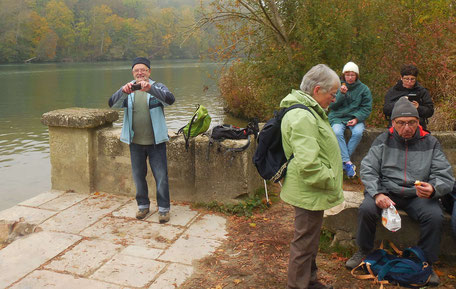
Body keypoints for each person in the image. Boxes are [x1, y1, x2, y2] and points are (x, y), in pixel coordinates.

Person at [345, 97, 454, 286]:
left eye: (412, 122)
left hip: (417, 194)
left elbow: (444, 175)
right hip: (387, 190)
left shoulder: (430, 142)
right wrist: (377, 193)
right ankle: (364, 250)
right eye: (401, 123)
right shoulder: (383, 139)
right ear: (393, 122)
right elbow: (368, 168)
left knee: (434, 216)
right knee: (367, 209)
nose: (407, 128)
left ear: (418, 122)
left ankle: (425, 262)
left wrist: (433, 188)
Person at [280, 64, 344, 289]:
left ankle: (309, 281)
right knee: (304, 242)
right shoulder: (302, 115)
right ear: (318, 90)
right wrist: (330, 178)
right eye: (332, 94)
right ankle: (297, 285)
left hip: (311, 189)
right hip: (309, 188)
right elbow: (308, 163)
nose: (333, 99)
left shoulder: (309, 110)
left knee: (309, 239)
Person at [109, 57, 175, 223]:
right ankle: (143, 206)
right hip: (135, 142)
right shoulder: (128, 89)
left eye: (143, 70)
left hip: (156, 142)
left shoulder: (157, 86)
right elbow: (112, 104)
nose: (140, 73)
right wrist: (123, 92)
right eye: (137, 70)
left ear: (149, 72)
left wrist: (150, 89)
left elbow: (170, 100)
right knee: (138, 176)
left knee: (161, 177)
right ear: (133, 73)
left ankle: (164, 210)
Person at [329, 62, 372, 178]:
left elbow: (367, 108)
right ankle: (348, 162)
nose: (350, 77)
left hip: (355, 118)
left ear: (356, 76)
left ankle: (343, 162)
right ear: (343, 75)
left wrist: (357, 118)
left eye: (352, 75)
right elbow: (332, 106)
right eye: (347, 75)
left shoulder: (364, 89)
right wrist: (341, 95)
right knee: (336, 132)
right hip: (338, 117)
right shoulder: (336, 87)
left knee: (358, 133)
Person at [383, 64, 434, 130]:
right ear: (401, 78)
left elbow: (430, 111)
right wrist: (399, 103)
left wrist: (418, 108)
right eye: (406, 79)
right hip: (396, 126)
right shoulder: (393, 91)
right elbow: (386, 110)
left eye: (412, 79)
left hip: (417, 127)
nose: (409, 82)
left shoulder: (422, 91)